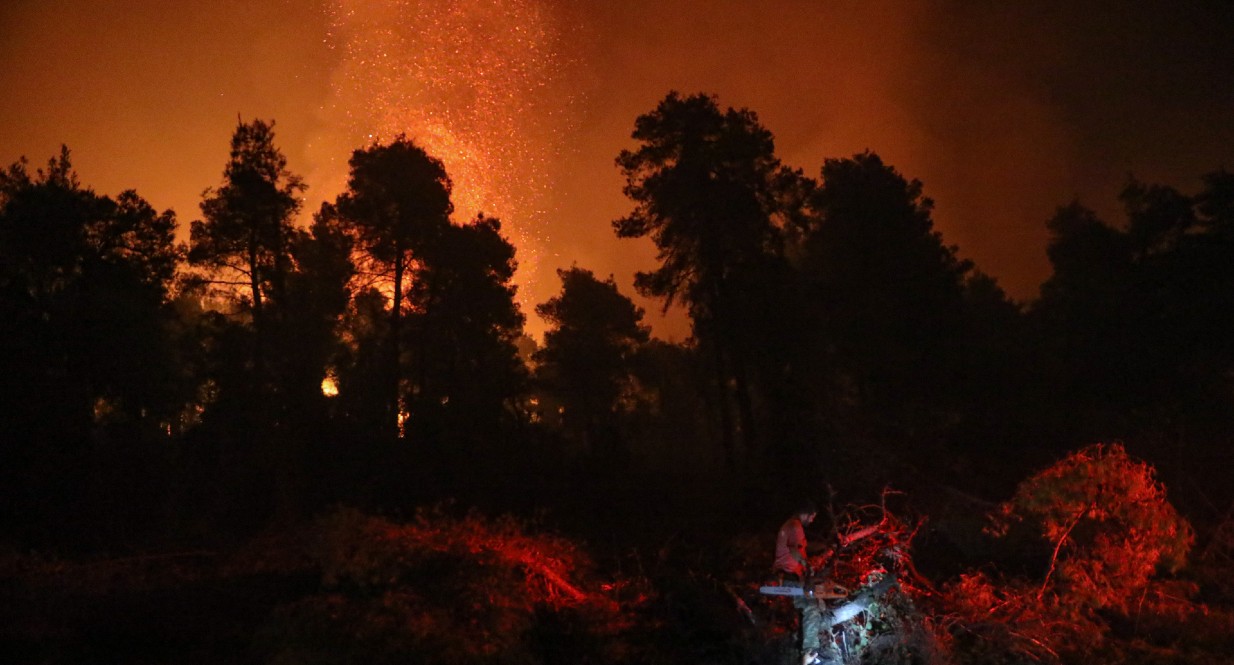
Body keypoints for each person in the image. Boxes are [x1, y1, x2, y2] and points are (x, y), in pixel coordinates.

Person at [773, 502, 826, 658]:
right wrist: (806, 565)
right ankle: (809, 652)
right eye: (812, 517)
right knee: (811, 607)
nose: (812, 521)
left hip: (791, 577)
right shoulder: (795, 526)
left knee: (816, 601)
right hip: (789, 577)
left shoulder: (790, 525)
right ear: (806, 513)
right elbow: (794, 550)